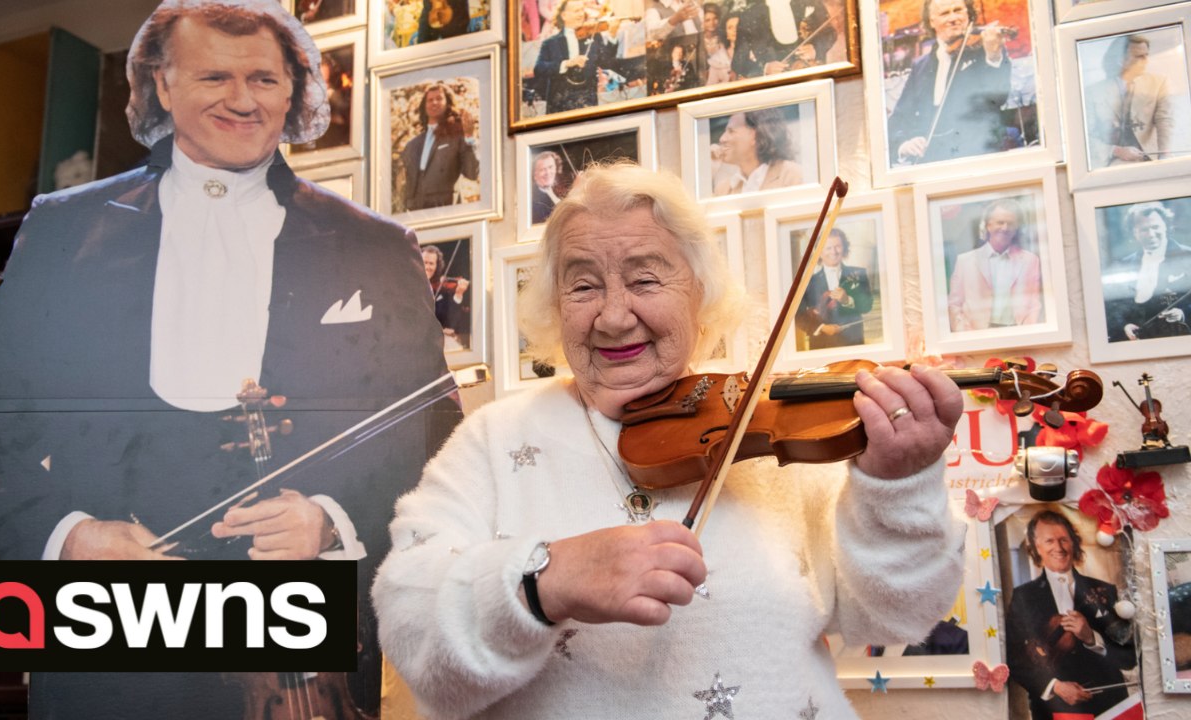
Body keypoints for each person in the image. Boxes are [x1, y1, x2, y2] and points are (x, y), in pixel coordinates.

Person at [0, 1, 459, 717]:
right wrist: (69, 538)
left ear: (295, 88)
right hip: (106, 633)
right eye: (214, 76)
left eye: (264, 80)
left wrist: (333, 519)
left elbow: (433, 442)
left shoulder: (373, 244)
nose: (242, 101)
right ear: (160, 82)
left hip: (296, 645)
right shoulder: (64, 230)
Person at [372, 164, 967, 718]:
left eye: (645, 279)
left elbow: (897, 616)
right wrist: (541, 582)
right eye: (583, 287)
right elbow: (413, 632)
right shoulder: (494, 438)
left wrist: (899, 484)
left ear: (700, 294)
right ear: (555, 305)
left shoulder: (771, 424)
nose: (612, 316)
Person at [1006, 510, 1136, 720]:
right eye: (1049, 541)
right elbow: (1013, 656)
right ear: (1036, 547)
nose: (1058, 548)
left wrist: (1092, 638)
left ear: (1074, 543)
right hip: (1054, 710)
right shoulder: (1023, 596)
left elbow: (1128, 658)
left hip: (1111, 706)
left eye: (1063, 539)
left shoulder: (1106, 590)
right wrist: (1055, 686)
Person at [887, 0, 1012, 166]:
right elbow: (900, 117)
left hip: (980, 152)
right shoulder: (921, 66)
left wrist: (993, 57)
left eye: (958, 10)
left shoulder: (985, 50)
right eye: (945, 13)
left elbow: (999, 97)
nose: (953, 18)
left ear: (968, 14)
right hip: (933, 158)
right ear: (932, 21)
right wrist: (904, 145)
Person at [946, 198, 1043, 332]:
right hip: (977, 335)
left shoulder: (1030, 260)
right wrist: (966, 334)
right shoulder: (965, 261)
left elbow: (1034, 303)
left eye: (1010, 223)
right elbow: (954, 304)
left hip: (1019, 333)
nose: (1005, 228)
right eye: (1000, 222)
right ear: (988, 225)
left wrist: (1027, 332)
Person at [1104, 201, 1191, 342]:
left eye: (1155, 227)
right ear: (1134, 233)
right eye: (1144, 229)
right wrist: (1124, 326)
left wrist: (1183, 313)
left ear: (1166, 226)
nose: (1151, 234)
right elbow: (1113, 310)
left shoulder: (1187, 257)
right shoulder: (1124, 266)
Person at [1087, 34, 1175, 169]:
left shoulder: (1159, 82)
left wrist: (1165, 156)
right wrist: (1116, 150)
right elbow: (1086, 138)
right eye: (1139, 56)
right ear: (1120, 59)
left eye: (1147, 55)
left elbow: (1165, 121)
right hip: (1111, 163)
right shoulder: (1093, 92)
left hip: (1151, 159)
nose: (1146, 61)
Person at [400, 82, 480, 211]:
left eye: (439, 98)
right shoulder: (412, 145)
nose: (434, 103)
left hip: (445, 211)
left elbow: (472, 173)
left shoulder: (457, 136)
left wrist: (469, 137)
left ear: (448, 103)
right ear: (424, 106)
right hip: (415, 215)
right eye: (430, 100)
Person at [534, 0, 622, 114]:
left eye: (582, 10)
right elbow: (538, 69)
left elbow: (608, 64)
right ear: (564, 15)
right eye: (576, 11)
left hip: (587, 103)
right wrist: (566, 63)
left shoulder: (594, 36)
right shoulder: (550, 43)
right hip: (559, 106)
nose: (581, 14)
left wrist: (612, 36)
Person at [796, 228, 874, 350]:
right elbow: (798, 315)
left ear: (844, 248)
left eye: (838, 246)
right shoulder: (807, 281)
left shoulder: (859, 274)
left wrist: (847, 300)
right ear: (820, 252)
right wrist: (821, 327)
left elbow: (867, 306)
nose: (834, 252)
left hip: (853, 343)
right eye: (828, 248)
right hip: (821, 346)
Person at [712, 108, 804, 195]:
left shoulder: (792, 176)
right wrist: (711, 172)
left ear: (755, 135)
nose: (722, 139)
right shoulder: (723, 190)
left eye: (731, 131)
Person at [646, 0, 706, 94]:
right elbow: (653, 34)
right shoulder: (654, 11)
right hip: (676, 69)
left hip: (699, 62)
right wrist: (675, 19)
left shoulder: (691, 4)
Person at [422, 244, 471, 349]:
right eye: (424, 262)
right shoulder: (407, 287)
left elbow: (450, 320)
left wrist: (458, 294)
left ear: (436, 266)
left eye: (431, 263)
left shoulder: (441, 292)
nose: (427, 267)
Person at [530, 150, 564, 224]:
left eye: (551, 167)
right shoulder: (532, 201)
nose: (548, 173)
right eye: (542, 169)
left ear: (556, 168)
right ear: (535, 175)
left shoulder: (558, 189)